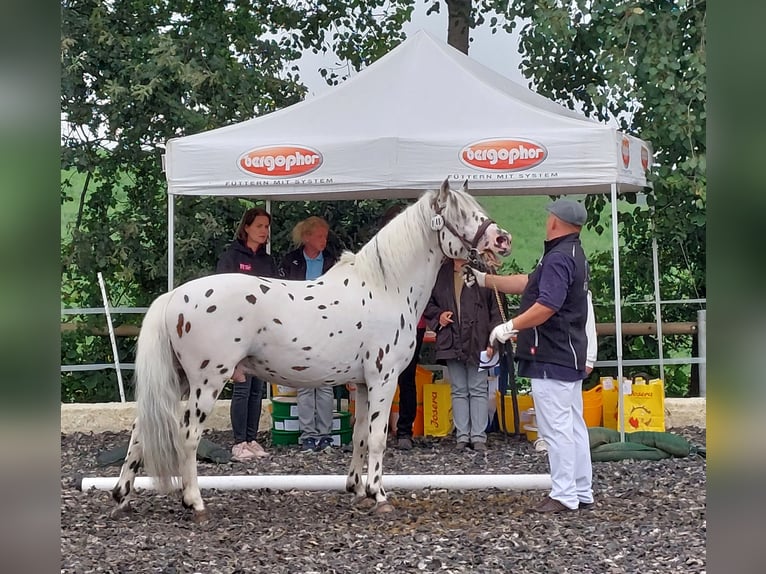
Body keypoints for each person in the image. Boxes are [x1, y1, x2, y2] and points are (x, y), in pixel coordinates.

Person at [466, 198, 595, 513]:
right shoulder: (571, 254)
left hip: (551, 353)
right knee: (573, 424)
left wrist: (510, 326)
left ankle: (564, 494)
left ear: (554, 222)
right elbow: (529, 284)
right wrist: (485, 280)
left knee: (556, 427)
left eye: (548, 217)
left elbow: (547, 305)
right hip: (567, 352)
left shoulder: (558, 259)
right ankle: (580, 489)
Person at [216, 206, 278, 462]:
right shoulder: (231, 257)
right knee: (241, 386)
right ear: (247, 228)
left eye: (267, 227)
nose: (264, 232)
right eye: (259, 226)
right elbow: (221, 293)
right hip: (237, 331)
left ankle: (252, 439)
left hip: (261, 332)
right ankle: (238, 441)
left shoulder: (268, 261)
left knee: (257, 387)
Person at [424, 257, 502, 452]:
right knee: (458, 389)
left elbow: (497, 308)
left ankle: (477, 436)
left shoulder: (484, 270)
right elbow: (427, 303)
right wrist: (439, 317)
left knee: (477, 388)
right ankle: (462, 436)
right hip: (451, 338)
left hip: (479, 339)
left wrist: (493, 339)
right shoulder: (440, 272)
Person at [279, 216, 338, 452]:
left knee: (325, 382)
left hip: (327, 327)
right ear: (306, 237)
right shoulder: (290, 261)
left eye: (325, 236)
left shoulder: (333, 262)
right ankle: (308, 435)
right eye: (319, 236)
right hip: (299, 326)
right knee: (304, 382)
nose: (324, 240)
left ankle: (325, 434)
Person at [378, 204, 426, 451]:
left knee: (407, 378)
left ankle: (405, 431)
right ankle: (377, 431)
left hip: (411, 323)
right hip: (379, 323)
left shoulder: (416, 255)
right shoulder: (378, 255)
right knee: (375, 377)